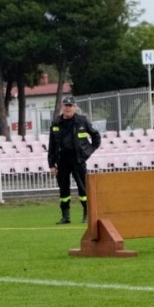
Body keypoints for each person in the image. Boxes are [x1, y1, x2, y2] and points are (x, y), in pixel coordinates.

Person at [46, 94, 101, 224]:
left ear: (75, 107)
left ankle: (87, 215)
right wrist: (51, 164)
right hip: (62, 160)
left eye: (70, 106)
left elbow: (96, 137)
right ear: (62, 107)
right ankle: (66, 217)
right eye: (66, 105)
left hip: (78, 159)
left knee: (83, 188)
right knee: (63, 189)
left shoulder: (82, 121)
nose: (68, 108)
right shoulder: (56, 123)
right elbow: (52, 145)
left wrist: (88, 151)